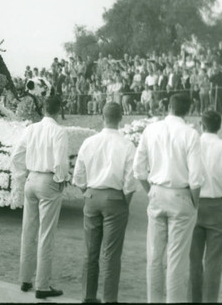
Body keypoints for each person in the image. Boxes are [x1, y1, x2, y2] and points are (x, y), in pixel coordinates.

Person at [133, 94, 204, 303]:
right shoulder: (190, 134)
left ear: (168, 107)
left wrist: (151, 191)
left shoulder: (151, 129)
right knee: (177, 259)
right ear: (188, 111)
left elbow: (138, 170)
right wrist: (195, 203)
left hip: (157, 191)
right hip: (181, 194)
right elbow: (196, 177)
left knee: (154, 256)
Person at [73, 102, 137, 303]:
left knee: (90, 252)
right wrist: (124, 202)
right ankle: (110, 299)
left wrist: (88, 192)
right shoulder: (127, 144)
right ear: (121, 118)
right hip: (115, 198)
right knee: (111, 254)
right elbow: (130, 181)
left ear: (102, 116)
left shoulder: (89, 142)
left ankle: (88, 296)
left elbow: (78, 176)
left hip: (92, 195)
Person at [11, 96, 70, 299]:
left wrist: (26, 172)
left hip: (32, 178)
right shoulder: (59, 131)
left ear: (43, 109)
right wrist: (61, 179)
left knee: (28, 231)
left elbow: (16, 156)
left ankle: (25, 279)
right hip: (48, 180)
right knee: (46, 234)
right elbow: (61, 162)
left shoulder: (30, 129)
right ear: (58, 110)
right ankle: (42, 285)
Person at [190, 110, 222, 302]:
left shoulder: (194, 143)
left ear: (202, 124)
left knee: (193, 261)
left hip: (194, 202)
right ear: (219, 126)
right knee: (214, 263)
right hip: (217, 204)